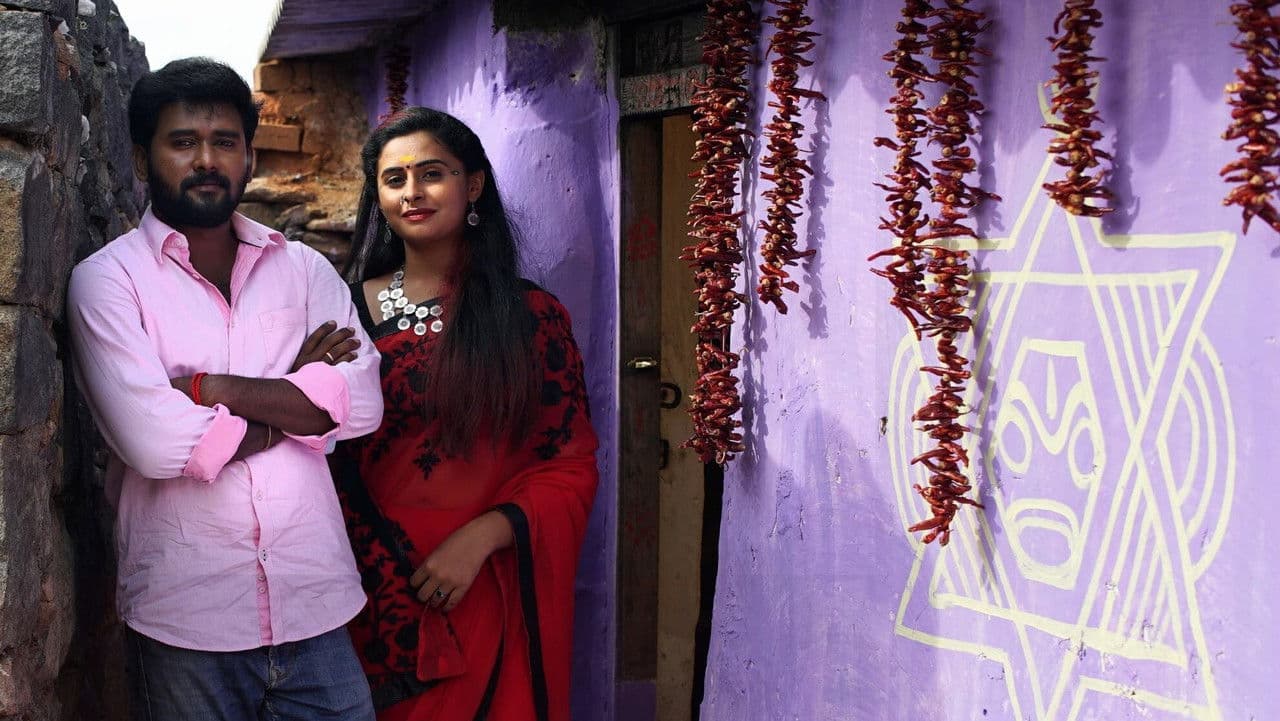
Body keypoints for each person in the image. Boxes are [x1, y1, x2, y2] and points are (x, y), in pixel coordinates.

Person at [66, 58, 383, 720]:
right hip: (188, 622)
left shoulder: (305, 270)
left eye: (225, 141)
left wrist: (206, 386)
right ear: (141, 158)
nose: (207, 160)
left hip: (315, 605)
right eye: (183, 141)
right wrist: (296, 404)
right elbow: (158, 445)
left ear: (249, 157)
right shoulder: (109, 282)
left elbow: (361, 404)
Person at [332, 106, 599, 721]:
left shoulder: (529, 318)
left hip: (472, 586)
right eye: (394, 179)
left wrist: (481, 539)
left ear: (472, 185)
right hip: (359, 587)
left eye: (432, 174)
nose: (412, 192)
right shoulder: (342, 312)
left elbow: (568, 464)